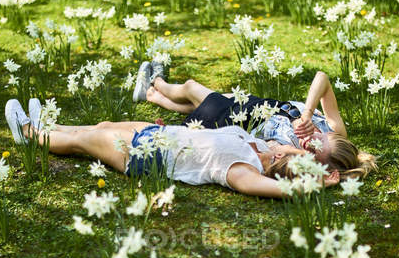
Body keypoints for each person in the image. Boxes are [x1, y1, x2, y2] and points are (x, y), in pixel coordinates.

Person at [4, 99, 339, 198]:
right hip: (160, 135)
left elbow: (277, 188)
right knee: (102, 128)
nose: (290, 143)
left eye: (293, 150)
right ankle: (47, 126)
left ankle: (29, 132)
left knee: (83, 142)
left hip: (145, 154)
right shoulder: (256, 144)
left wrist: (315, 183)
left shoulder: (243, 170)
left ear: (280, 157)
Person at [133, 62, 376, 180]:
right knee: (194, 101)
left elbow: (266, 155)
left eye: (315, 154)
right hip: (262, 105)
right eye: (318, 140)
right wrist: (308, 114)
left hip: (239, 120)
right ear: (329, 135)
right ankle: (152, 95)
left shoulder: (294, 160)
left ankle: (157, 82)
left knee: (191, 88)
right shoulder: (336, 129)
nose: (309, 144)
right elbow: (322, 77)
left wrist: (296, 152)